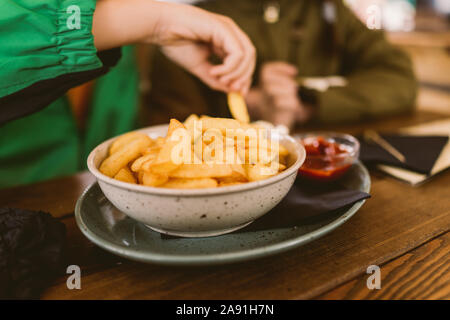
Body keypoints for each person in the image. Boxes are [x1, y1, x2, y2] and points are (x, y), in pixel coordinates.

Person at [0, 0, 256, 188]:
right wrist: (153, 22)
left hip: (109, 224)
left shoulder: (131, 32)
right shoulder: (139, 20)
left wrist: (147, 25)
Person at [147, 0, 417, 128]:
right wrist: (250, 104)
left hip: (329, 175)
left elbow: (400, 80)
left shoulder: (333, 12)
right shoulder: (190, 25)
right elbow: (169, 130)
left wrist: (306, 103)